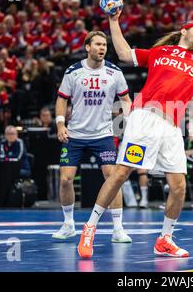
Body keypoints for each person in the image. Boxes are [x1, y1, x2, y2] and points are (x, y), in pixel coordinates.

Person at [77, 9, 193, 259]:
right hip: (145, 116)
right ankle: (89, 228)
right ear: (185, 30)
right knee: (122, 172)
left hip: (172, 126)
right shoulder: (161, 52)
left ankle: (164, 239)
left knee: (178, 185)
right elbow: (124, 53)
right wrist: (114, 21)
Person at [52, 31, 133, 244]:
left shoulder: (115, 72)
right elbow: (61, 100)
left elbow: (125, 100)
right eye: (97, 44)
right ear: (87, 47)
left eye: (104, 45)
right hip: (75, 134)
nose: (102, 48)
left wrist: (131, 122)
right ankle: (69, 224)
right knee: (65, 179)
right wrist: (61, 123)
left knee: (112, 178)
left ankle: (118, 229)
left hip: (103, 134)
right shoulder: (73, 72)